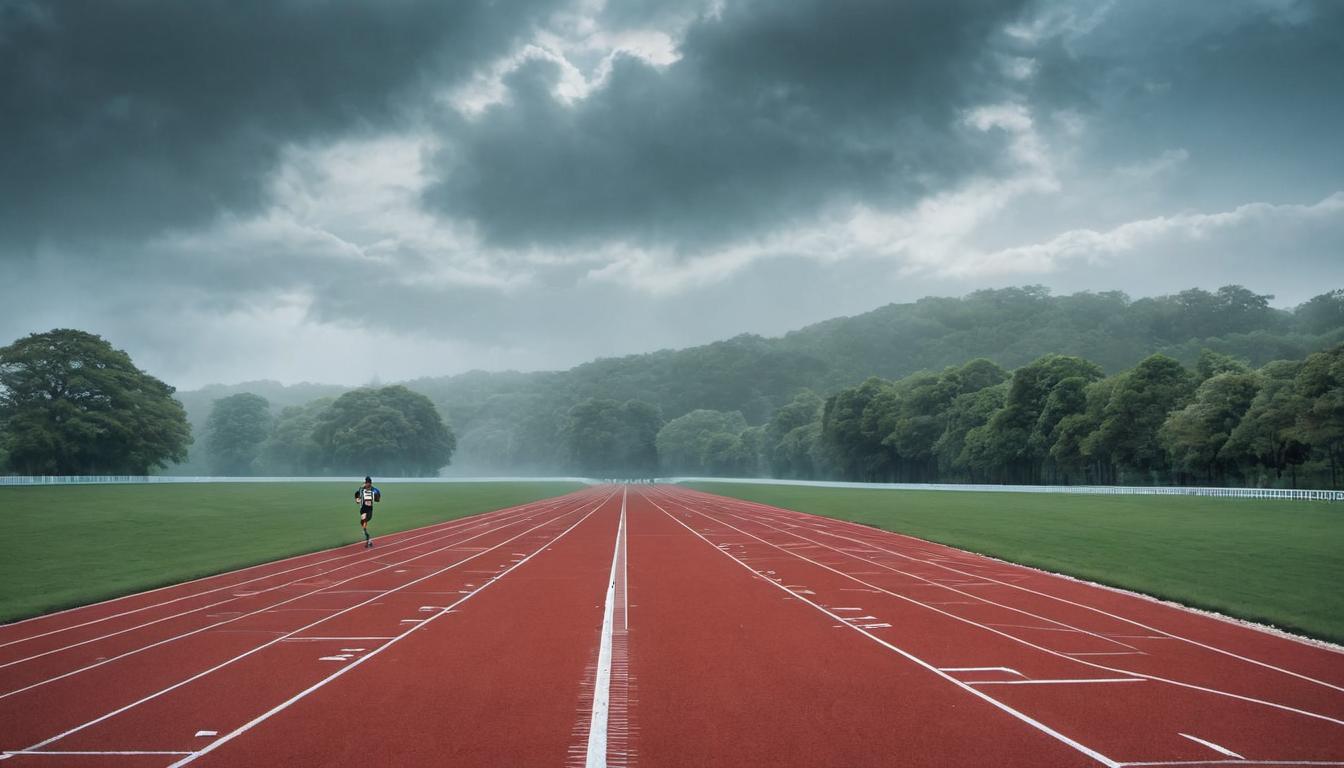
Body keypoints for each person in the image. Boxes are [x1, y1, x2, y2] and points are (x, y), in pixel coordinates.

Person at [355, 476, 382, 548]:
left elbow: (378, 499)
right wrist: (358, 499)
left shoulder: (374, 490)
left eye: (368, 483)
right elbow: (357, 496)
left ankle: (367, 535)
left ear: (370, 483)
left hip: (369, 510)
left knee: (364, 520)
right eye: (366, 483)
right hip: (363, 509)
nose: (367, 485)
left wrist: (375, 497)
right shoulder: (362, 489)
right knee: (362, 521)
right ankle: (368, 538)